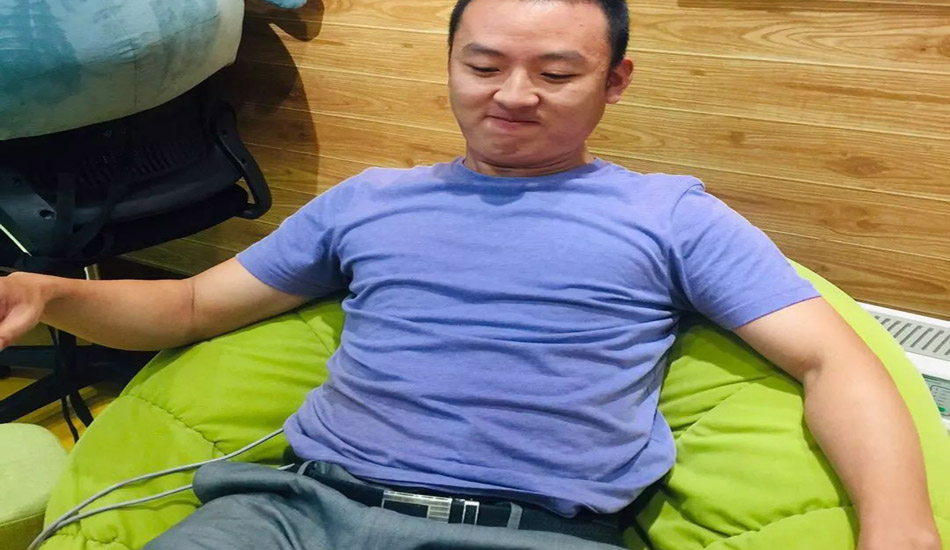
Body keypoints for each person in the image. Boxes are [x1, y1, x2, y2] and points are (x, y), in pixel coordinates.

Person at [0, 0, 940, 548]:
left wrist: (900, 529)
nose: (512, 96)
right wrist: (48, 294)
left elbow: (833, 359)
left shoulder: (670, 216)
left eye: (556, 75)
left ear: (615, 82)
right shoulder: (370, 201)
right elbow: (193, 305)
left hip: (534, 533)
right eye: (483, 65)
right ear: (450, 63)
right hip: (298, 515)